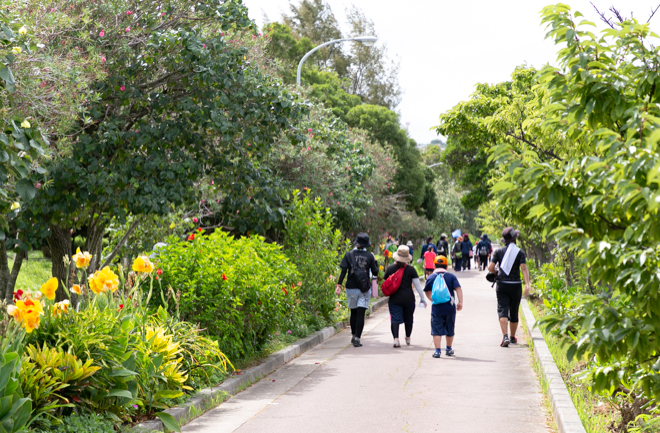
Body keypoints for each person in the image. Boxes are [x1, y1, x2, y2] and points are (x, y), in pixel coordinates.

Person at [487, 227, 531, 347]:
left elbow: (490, 268)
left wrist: (497, 273)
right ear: (514, 239)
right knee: (514, 311)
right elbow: (523, 268)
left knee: (503, 310)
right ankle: (512, 337)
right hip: (515, 285)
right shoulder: (520, 252)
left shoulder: (498, 252)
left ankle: (505, 336)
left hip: (502, 285)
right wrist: (527, 284)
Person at [336, 233, 379, 347]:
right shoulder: (369, 256)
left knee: (353, 312)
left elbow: (343, 271)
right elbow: (375, 272)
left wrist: (338, 285)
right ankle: (357, 338)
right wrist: (374, 261)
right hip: (364, 288)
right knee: (361, 313)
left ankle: (353, 334)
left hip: (350, 287)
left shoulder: (349, 254)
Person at [383, 245, 427, 347]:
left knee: (395, 319)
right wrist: (422, 298)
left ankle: (396, 339)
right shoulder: (411, 269)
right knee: (409, 319)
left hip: (394, 298)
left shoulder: (390, 268)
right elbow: (418, 286)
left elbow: (386, 282)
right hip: (409, 299)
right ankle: (407, 338)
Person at [424, 256, 463, 358]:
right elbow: (458, 289)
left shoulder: (431, 277)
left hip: (437, 308)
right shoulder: (451, 276)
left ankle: (437, 351)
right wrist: (460, 302)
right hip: (450, 308)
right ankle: (449, 349)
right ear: (446, 266)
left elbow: (427, 291)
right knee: (450, 328)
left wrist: (432, 299)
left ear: (434, 265)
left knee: (436, 330)